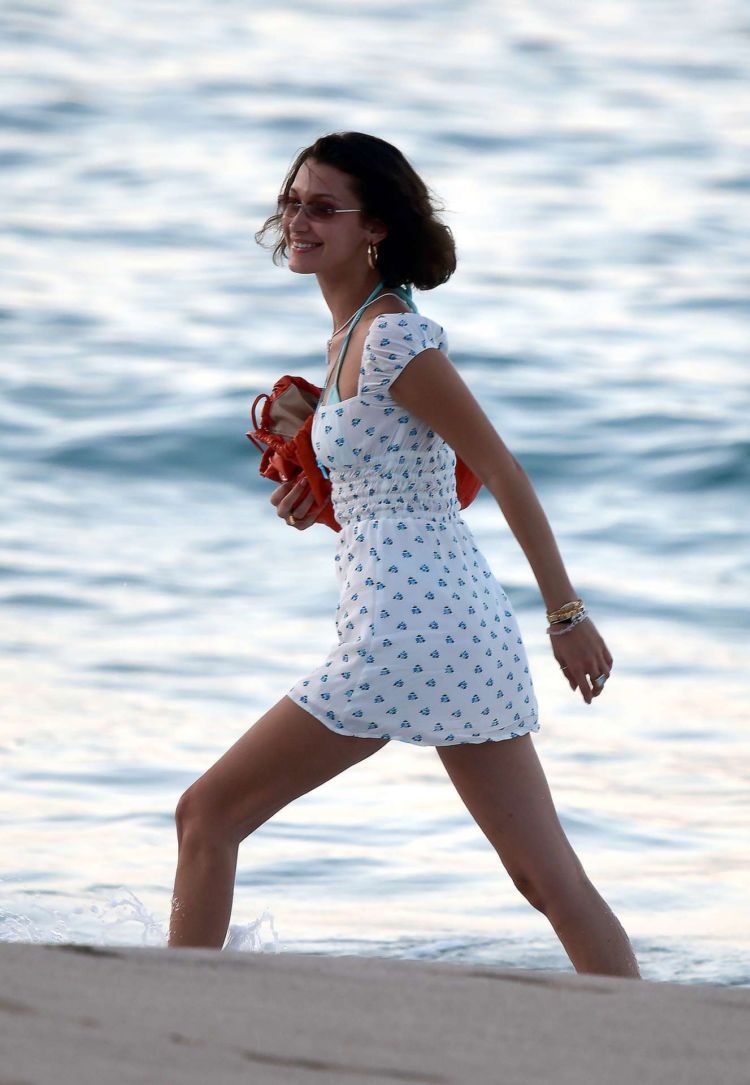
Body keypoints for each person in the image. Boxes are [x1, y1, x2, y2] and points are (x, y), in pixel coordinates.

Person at [168, 131, 641, 979]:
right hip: (442, 622)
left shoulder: (394, 340)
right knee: (546, 877)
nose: (298, 219)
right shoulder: (352, 338)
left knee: (207, 814)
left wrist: (566, 614)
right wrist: (320, 507)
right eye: (292, 201)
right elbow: (403, 503)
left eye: (322, 207)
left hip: (406, 632)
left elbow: (501, 470)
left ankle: (172, 1021)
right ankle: (651, 1042)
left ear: (374, 227)